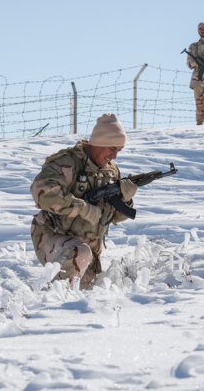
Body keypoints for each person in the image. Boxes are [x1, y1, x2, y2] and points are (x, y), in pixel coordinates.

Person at [30, 114, 138, 289]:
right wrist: (82, 208)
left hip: (88, 251)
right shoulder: (68, 163)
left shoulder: (110, 171)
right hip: (52, 235)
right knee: (69, 283)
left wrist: (126, 200)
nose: (115, 156)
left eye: (119, 150)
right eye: (112, 148)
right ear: (98, 142)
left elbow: (113, 218)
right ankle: (50, 301)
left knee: (87, 292)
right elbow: (41, 192)